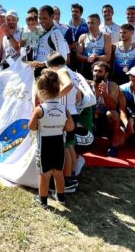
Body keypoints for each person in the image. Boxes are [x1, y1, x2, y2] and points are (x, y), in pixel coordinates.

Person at [28, 70, 75, 208]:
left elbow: (32, 126)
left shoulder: (39, 109)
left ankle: (43, 201)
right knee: (58, 172)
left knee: (44, 174)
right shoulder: (63, 108)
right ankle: (60, 197)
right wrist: (60, 126)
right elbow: (71, 127)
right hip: (59, 143)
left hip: (44, 145)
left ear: (41, 92)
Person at [45, 52, 82, 192]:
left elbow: (68, 85)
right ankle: (71, 176)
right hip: (73, 112)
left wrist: (53, 98)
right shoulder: (73, 72)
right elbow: (78, 97)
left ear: (51, 65)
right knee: (70, 146)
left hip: (65, 114)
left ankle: (65, 181)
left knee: (64, 148)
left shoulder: (61, 71)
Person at [88, 61, 124, 157]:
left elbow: (113, 107)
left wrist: (104, 94)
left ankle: (114, 144)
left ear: (106, 74)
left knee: (113, 114)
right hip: (89, 118)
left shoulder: (112, 86)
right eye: (95, 71)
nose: (97, 73)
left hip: (104, 119)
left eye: (100, 71)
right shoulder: (86, 84)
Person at [31, 5, 70, 70]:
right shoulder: (41, 31)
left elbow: (63, 57)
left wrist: (44, 64)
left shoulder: (56, 33)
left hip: (50, 73)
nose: (41, 21)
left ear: (52, 17)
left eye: (44, 18)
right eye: (40, 18)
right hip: (39, 71)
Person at [75, 14, 112, 80]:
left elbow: (108, 57)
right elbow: (77, 55)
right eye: (88, 23)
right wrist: (87, 59)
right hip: (85, 68)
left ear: (99, 23)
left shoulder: (106, 37)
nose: (90, 25)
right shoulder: (83, 37)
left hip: (100, 69)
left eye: (92, 23)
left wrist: (97, 58)